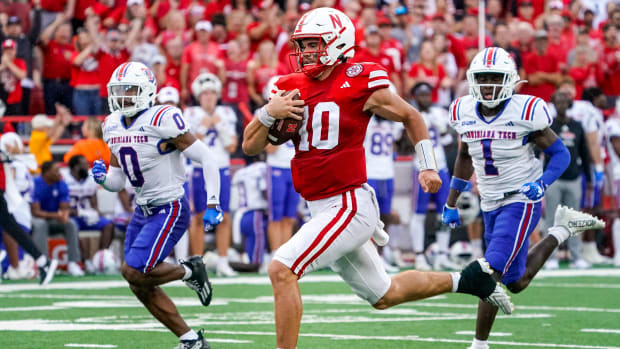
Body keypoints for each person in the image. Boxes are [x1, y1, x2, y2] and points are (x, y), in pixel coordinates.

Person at [242, 8, 514, 349]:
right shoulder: (289, 86)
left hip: (348, 204)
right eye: (303, 45)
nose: (305, 52)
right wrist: (269, 114)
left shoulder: (359, 77)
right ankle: (467, 279)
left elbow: (409, 115)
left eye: (313, 44)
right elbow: (250, 145)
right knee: (384, 294)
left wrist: (427, 165)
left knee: (281, 268)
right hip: (320, 205)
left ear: (337, 42)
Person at [442, 47, 605, 349]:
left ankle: (479, 344)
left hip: (520, 198)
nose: (489, 85)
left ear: (511, 81)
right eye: (483, 78)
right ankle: (561, 230)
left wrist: (542, 184)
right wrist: (451, 201)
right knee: (516, 281)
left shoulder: (526, 110)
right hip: (489, 200)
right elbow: (465, 156)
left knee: (491, 270)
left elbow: (560, 153)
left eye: (495, 78)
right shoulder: (462, 110)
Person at [92, 61, 223, 349]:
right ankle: (191, 340)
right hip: (142, 209)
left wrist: (213, 202)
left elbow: (208, 158)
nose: (123, 97)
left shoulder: (163, 117)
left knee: (134, 270)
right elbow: (118, 180)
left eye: (129, 90)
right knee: (137, 282)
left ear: (146, 92)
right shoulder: (112, 124)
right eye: (119, 91)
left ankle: (190, 271)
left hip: (170, 207)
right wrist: (104, 179)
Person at [184, 73, 238, 277]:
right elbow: (187, 144)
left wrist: (220, 125)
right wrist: (205, 126)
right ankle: (198, 261)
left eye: (212, 93)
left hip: (221, 168)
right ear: (199, 95)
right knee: (198, 216)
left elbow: (232, 145)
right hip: (198, 170)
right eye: (205, 93)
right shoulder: (190, 113)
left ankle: (223, 261)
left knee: (224, 215)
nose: (208, 97)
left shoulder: (225, 113)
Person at [408, 82, 458, 271]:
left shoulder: (439, 113)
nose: (425, 98)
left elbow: (448, 140)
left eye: (427, 94)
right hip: (421, 168)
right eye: (421, 95)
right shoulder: (411, 114)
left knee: (444, 212)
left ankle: (442, 255)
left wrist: (442, 129)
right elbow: (404, 143)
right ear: (415, 97)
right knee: (419, 213)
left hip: (441, 167)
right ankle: (419, 255)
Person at [543, 92, 592, 270]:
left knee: (574, 219)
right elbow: (538, 151)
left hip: (574, 177)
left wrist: (589, 178)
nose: (562, 104)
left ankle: (576, 256)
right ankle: (550, 258)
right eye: (558, 101)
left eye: (565, 101)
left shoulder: (577, 126)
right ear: (553, 103)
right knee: (551, 220)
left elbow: (584, 153)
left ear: (570, 103)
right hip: (552, 178)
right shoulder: (548, 126)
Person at [31, 160, 84, 277]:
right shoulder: (35, 183)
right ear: (46, 173)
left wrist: (64, 215)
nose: (59, 173)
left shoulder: (61, 183)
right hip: (34, 219)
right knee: (41, 224)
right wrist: (57, 215)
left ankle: (73, 263)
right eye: (56, 171)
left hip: (53, 220)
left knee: (70, 224)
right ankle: (43, 264)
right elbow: (35, 212)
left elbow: (64, 208)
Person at [62, 155, 115, 260]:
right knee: (72, 227)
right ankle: (83, 260)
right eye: (84, 164)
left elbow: (94, 202)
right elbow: (63, 206)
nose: (87, 167)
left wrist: (96, 213)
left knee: (108, 225)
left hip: (87, 216)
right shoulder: (65, 180)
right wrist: (78, 213)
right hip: (72, 217)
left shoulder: (90, 179)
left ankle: (100, 258)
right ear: (76, 167)